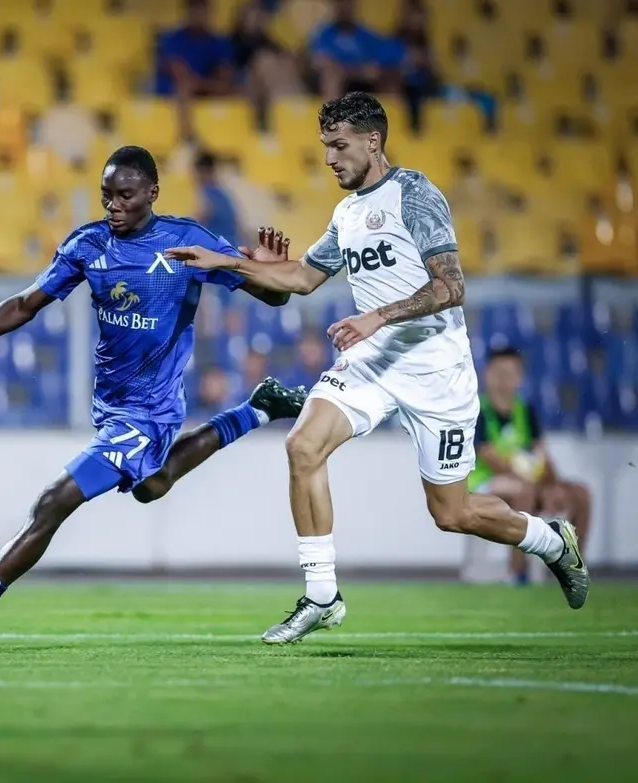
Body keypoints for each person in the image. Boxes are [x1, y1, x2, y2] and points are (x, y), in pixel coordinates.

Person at [166, 92, 588, 644]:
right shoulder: (347, 213)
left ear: (373, 141)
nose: (329, 158)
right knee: (303, 445)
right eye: (325, 146)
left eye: (339, 146)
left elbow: (451, 286)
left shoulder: (414, 194)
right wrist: (225, 263)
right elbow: (301, 278)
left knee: (453, 513)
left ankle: (553, 542)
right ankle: (322, 596)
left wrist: (378, 316)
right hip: (372, 362)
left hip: (436, 370)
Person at [0, 146, 307, 649]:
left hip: (151, 411)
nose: (113, 205)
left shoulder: (186, 241)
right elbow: (24, 305)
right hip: (111, 406)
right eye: (106, 195)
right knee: (152, 485)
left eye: (125, 195)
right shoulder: (88, 244)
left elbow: (273, 296)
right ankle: (258, 408)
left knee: (54, 502)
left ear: (152, 193)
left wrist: (268, 274)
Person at [470, 345, 592, 585]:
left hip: (526, 481)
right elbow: (492, 460)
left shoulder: (525, 410)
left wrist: (552, 485)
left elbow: (541, 455)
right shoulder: (477, 410)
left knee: (580, 493)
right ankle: (516, 572)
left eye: (510, 373)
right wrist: (538, 487)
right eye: (498, 373)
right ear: (487, 375)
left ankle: (573, 569)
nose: (503, 380)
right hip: (485, 484)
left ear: (520, 377)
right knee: (524, 492)